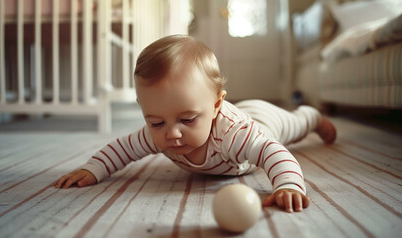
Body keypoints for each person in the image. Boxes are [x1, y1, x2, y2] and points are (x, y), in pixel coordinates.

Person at [55, 35, 336, 213]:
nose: (171, 133)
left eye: (187, 119)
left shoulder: (234, 134)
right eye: (155, 121)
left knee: (293, 127)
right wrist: (93, 168)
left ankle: (311, 117)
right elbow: (123, 149)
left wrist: (287, 185)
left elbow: (273, 152)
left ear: (215, 106)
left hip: (262, 120)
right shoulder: (157, 133)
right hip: (237, 124)